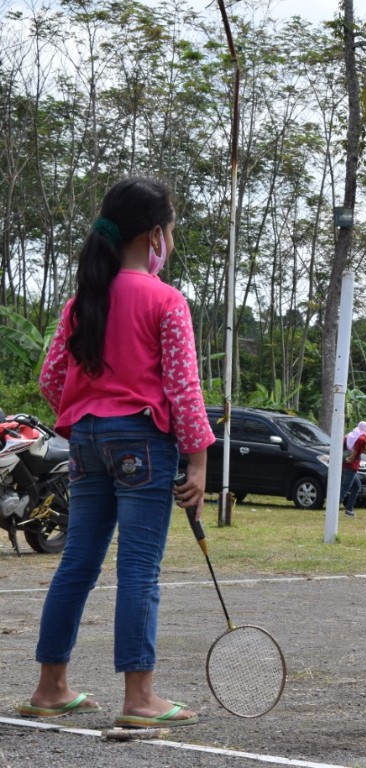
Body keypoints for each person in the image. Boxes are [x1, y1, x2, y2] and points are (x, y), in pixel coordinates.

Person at [18, 177, 214, 728]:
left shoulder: (84, 300)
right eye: (171, 230)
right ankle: (139, 698)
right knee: (138, 569)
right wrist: (197, 460)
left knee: (78, 562)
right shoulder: (167, 301)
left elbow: (51, 378)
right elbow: (183, 390)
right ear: (155, 234)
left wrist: (86, 411)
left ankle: (51, 687)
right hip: (143, 443)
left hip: (86, 440)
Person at [339, 421, 366, 517]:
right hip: (351, 465)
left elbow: (343, 441)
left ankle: (349, 509)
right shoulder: (362, 437)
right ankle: (333, 508)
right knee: (345, 487)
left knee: (356, 486)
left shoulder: (351, 435)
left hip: (345, 464)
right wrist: (352, 457)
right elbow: (358, 447)